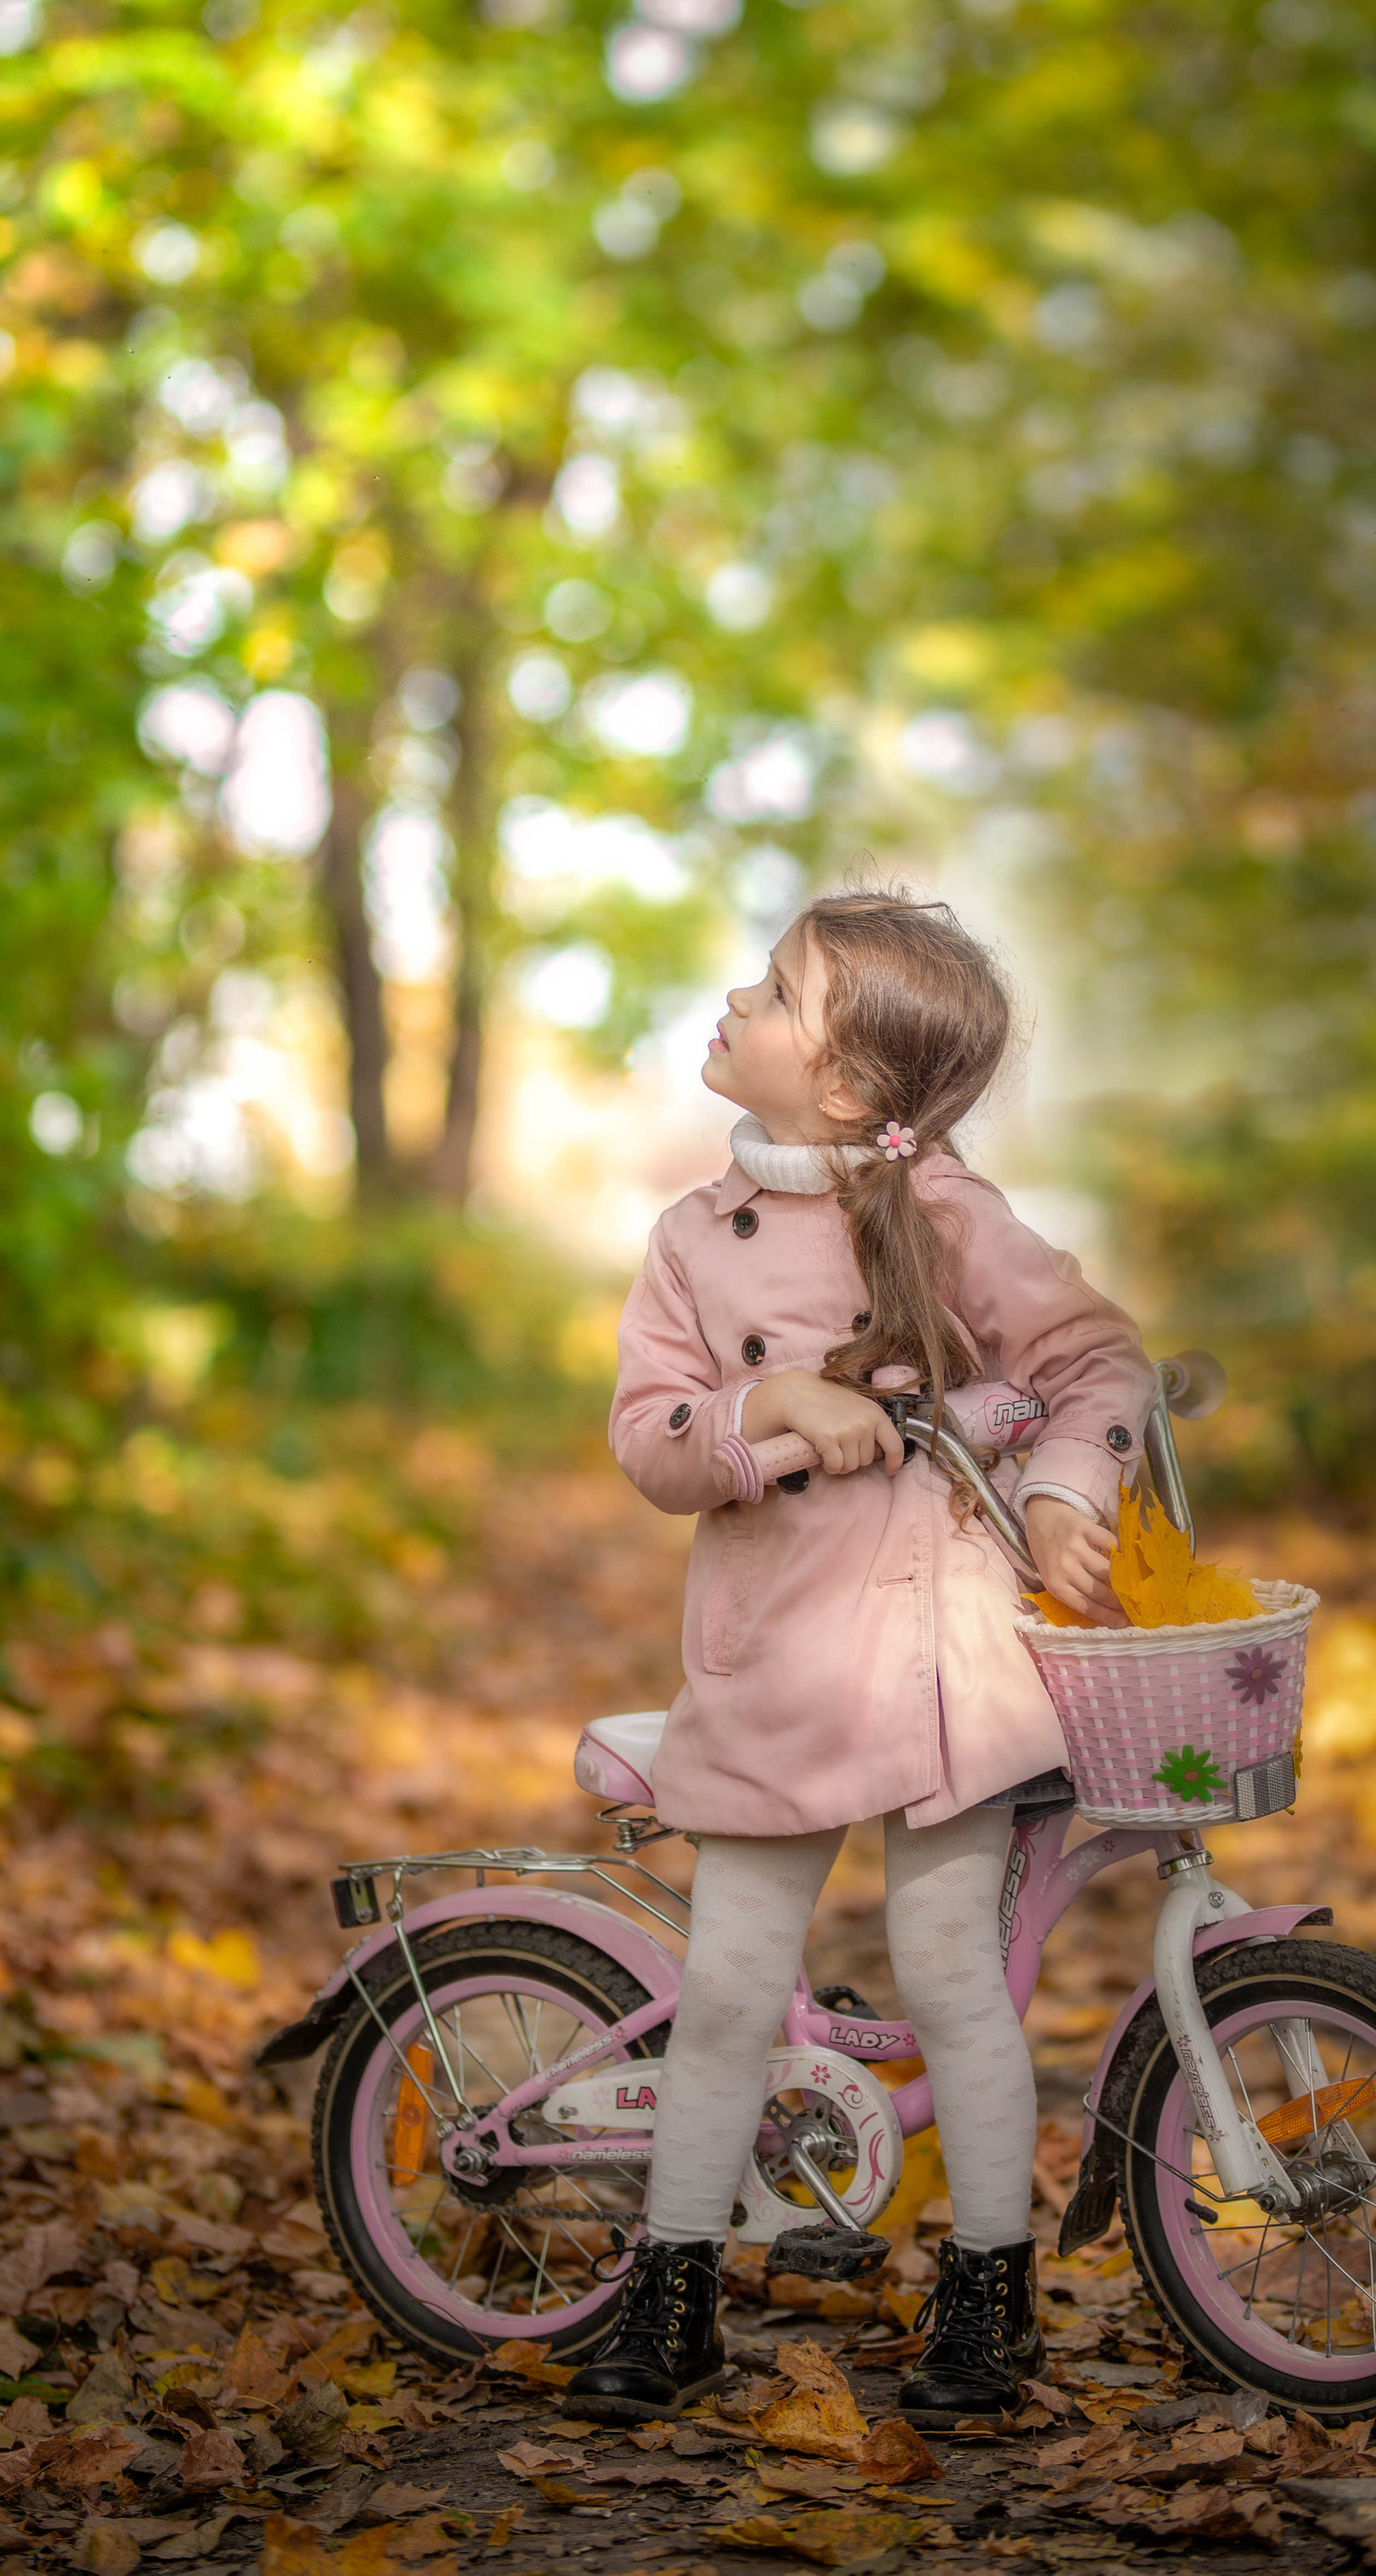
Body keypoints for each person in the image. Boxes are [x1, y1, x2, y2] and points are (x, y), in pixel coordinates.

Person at [568, 886, 1157, 2431]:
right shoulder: (691, 1239)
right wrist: (765, 1418)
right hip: (771, 1665)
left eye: (770, 992)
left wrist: (1057, 1486)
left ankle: (988, 2287)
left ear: (839, 1083)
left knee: (956, 1976)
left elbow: (1099, 1362)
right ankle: (675, 2284)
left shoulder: (951, 1214)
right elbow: (650, 1438)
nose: (734, 1004)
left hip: (939, 1665)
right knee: (728, 1993)